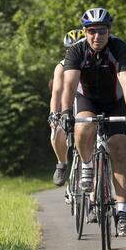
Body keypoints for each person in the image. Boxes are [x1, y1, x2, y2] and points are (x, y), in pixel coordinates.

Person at [60, 7, 126, 236]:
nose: (97, 36)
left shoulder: (119, 47)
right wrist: (66, 111)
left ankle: (123, 211)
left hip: (115, 102)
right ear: (85, 31)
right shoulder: (76, 51)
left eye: (102, 31)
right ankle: (87, 165)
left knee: (120, 149)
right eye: (92, 31)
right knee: (83, 125)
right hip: (87, 100)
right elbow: (68, 85)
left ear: (109, 31)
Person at [48, 29, 85, 186]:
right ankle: (62, 163)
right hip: (67, 104)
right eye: (70, 48)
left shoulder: (91, 62)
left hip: (85, 104)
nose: (74, 51)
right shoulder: (61, 67)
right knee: (57, 131)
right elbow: (56, 92)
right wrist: (53, 114)